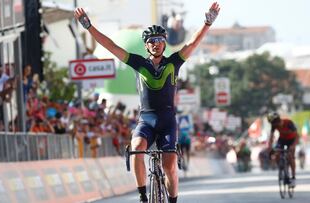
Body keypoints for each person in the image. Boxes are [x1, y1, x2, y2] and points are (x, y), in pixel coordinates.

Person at [74, 3, 220, 202]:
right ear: (146, 45)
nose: (156, 44)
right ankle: (143, 195)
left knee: (169, 166)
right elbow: (111, 46)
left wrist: (207, 23)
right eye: (151, 41)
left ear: (165, 43)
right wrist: (89, 26)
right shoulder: (138, 63)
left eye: (159, 40)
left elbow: (192, 44)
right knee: (136, 148)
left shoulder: (174, 62)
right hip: (146, 120)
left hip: (167, 120)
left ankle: (172, 199)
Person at [267, 112, 299, 187]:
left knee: (291, 157)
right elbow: (271, 138)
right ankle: (282, 168)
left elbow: (297, 136)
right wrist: (270, 148)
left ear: (278, 120)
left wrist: (293, 146)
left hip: (292, 140)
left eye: (275, 123)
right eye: (272, 124)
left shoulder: (289, 123)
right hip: (282, 139)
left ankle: (293, 178)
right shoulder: (274, 126)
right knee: (277, 153)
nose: (274, 125)